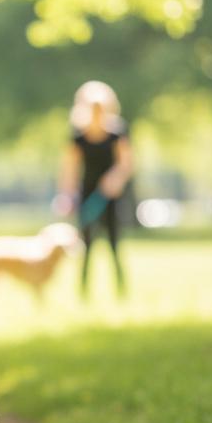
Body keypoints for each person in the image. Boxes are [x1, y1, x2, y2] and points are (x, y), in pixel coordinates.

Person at [55, 81, 135, 296]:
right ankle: (83, 292)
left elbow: (126, 163)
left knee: (114, 244)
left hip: (111, 195)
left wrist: (115, 178)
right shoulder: (78, 136)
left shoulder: (118, 132)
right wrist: (67, 196)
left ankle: (121, 290)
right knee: (86, 246)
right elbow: (69, 168)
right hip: (87, 195)